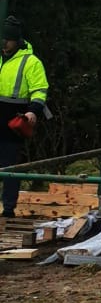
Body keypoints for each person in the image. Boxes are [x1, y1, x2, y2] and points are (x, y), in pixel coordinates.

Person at [0, 16, 48, 218]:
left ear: (17, 40)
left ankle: (8, 209)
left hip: (13, 119)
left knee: (11, 166)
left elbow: (40, 90)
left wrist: (33, 110)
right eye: (3, 39)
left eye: (8, 40)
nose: (4, 44)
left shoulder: (31, 62)